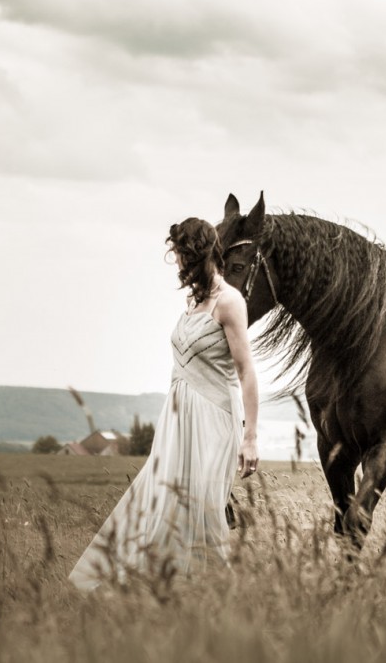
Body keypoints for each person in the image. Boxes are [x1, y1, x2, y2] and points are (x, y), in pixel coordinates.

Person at [68, 217, 260, 591]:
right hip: (178, 420)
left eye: (185, 258)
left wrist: (250, 436)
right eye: (177, 257)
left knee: (200, 510)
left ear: (203, 256)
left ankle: (221, 597)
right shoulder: (193, 302)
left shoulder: (230, 303)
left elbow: (246, 371)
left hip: (214, 419)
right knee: (159, 499)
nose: (180, 267)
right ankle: (157, 585)